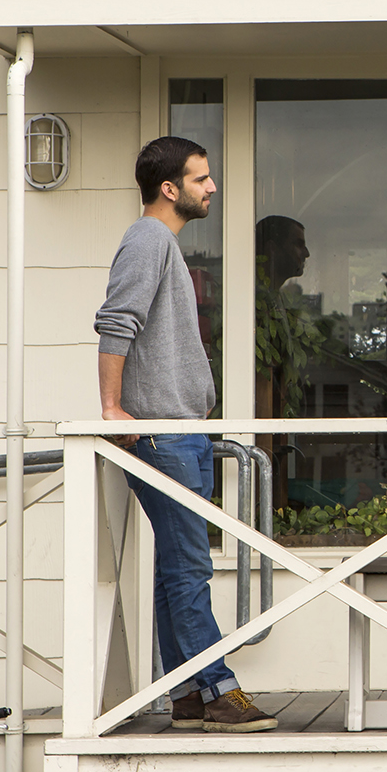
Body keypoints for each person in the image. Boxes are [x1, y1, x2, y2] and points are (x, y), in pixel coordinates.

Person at [95, 136, 277, 734]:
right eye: (202, 179)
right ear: (170, 188)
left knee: (178, 565)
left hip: (181, 433)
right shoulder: (148, 239)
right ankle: (220, 689)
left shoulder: (162, 244)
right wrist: (112, 408)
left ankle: (186, 695)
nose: (213, 188)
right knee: (191, 566)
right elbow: (117, 320)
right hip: (162, 436)